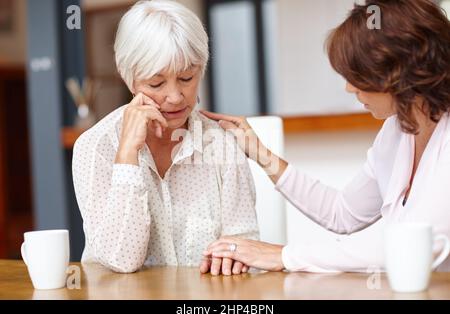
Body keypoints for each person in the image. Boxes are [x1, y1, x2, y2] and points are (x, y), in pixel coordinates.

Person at [201, 0, 450, 273]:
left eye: (358, 75)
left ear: (399, 73)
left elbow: (414, 245)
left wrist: (284, 255)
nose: (348, 87)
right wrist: (261, 153)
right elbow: (340, 213)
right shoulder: (397, 130)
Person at [72, 0, 259, 274]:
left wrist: (235, 258)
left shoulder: (221, 144)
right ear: (130, 79)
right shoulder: (96, 147)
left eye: (186, 78)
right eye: (156, 83)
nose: (174, 97)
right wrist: (127, 157)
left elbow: (245, 248)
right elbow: (120, 261)